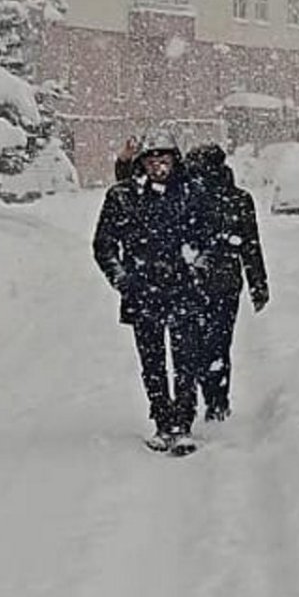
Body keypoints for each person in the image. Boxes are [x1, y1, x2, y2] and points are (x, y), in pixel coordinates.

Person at [93, 132, 210, 451]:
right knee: (152, 363)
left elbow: (209, 237)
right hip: (142, 291)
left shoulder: (191, 192)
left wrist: (197, 266)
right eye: (152, 160)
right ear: (142, 163)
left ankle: (183, 422)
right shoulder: (123, 197)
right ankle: (163, 420)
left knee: (186, 362)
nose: (158, 166)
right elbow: (104, 244)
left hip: (183, 289)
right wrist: (122, 278)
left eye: (164, 159)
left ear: (175, 160)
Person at [177, 143, 268, 425]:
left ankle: (210, 402)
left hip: (210, 282)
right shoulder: (232, 199)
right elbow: (250, 245)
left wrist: (258, 283)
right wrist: (257, 283)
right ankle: (213, 402)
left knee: (203, 345)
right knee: (212, 345)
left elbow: (249, 244)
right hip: (208, 282)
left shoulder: (227, 199)